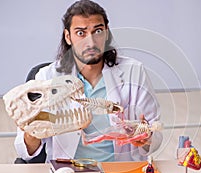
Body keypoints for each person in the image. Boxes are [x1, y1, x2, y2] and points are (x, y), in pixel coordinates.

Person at [14, 0, 162, 162]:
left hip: (119, 172)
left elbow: (155, 133)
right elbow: (24, 151)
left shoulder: (134, 71)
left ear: (106, 33)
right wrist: (31, 132)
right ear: (68, 37)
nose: (90, 42)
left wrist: (146, 138)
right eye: (80, 33)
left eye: (97, 31)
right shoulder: (47, 77)